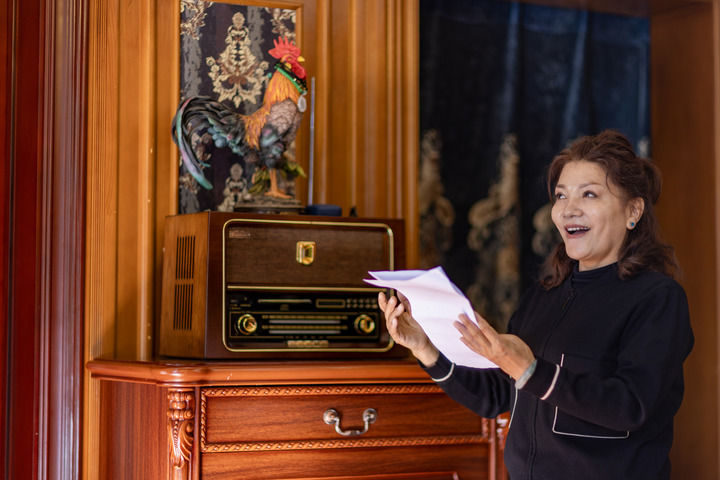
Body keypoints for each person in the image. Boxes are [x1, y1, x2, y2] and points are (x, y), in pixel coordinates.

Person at [379, 130, 694, 480]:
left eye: (589, 194)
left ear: (633, 211)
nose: (569, 209)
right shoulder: (543, 296)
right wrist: (425, 348)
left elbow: (630, 406)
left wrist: (530, 370)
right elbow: (496, 395)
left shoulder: (658, 299)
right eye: (561, 196)